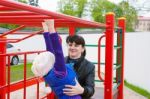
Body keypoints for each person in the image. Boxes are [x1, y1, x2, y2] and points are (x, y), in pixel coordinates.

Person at [31, 20, 81, 99]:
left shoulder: (47, 75)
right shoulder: (59, 72)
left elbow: (50, 51)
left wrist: (46, 31)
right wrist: (51, 28)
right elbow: (58, 52)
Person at [63, 34, 95, 99]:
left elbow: (91, 89)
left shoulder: (90, 66)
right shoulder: (61, 61)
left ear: (82, 49)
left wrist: (82, 90)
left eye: (76, 45)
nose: (72, 48)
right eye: (70, 45)